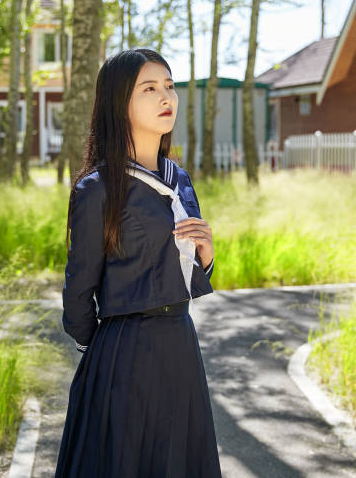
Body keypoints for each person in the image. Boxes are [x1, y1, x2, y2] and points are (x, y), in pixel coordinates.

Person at [54, 48, 222, 478]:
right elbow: (78, 293)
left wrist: (206, 259)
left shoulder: (179, 179)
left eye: (169, 85)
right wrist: (106, 351)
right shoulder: (97, 189)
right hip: (124, 352)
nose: (166, 96)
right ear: (119, 102)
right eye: (149, 88)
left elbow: (181, 272)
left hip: (180, 344)